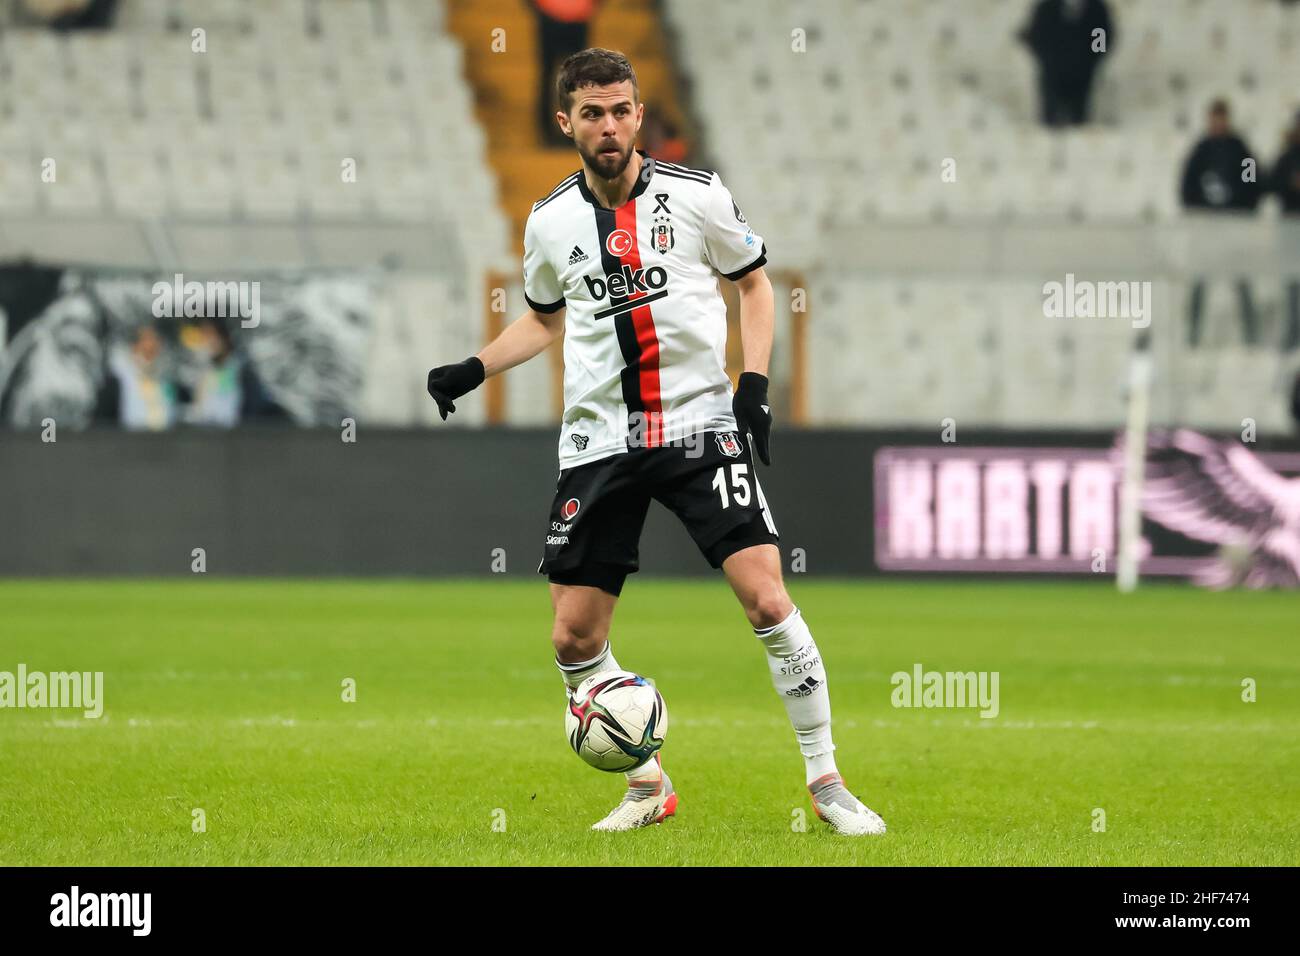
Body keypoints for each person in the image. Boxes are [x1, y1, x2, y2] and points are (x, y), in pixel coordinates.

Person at [426, 49, 885, 835]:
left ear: (639, 116)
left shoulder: (697, 197)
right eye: (592, 113)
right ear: (565, 120)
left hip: (698, 426)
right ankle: (647, 784)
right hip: (599, 440)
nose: (609, 126)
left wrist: (754, 385)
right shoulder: (550, 220)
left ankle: (826, 778)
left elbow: (755, 282)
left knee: (768, 597)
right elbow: (543, 316)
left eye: (621, 110)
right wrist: (474, 366)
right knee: (574, 636)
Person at [1180, 99, 1264, 347]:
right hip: (1207, 229)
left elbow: (1251, 179)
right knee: (1199, 282)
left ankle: (1251, 338)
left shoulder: (1240, 149)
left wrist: (1244, 207)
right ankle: (1192, 337)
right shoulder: (1200, 150)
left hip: (1234, 227)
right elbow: (1187, 185)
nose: (1218, 123)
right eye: (1214, 118)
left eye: (1221, 118)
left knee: (1242, 281)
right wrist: (1199, 210)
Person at [1019, 0, 1114, 127]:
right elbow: (1036, 35)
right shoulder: (1047, 7)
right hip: (1053, 72)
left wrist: (1093, 59)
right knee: (1050, 121)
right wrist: (1047, 58)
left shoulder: (1095, 8)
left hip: (1083, 71)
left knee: (1079, 119)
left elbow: (1102, 33)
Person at [531, 0, 599, 148]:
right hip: (562, 14)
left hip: (572, 15)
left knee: (573, 79)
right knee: (558, 77)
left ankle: (565, 130)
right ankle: (550, 132)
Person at [1270, 110, 1300, 350]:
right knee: (1292, 288)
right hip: (1290, 231)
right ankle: (1292, 335)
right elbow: (1265, 183)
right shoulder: (1286, 156)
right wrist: (1291, 185)